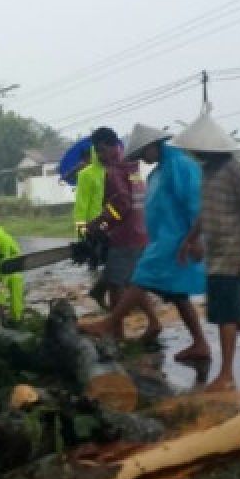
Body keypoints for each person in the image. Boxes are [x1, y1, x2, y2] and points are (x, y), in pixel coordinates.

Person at [79, 124, 209, 360]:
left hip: (169, 239)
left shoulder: (178, 166)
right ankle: (199, 343)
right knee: (176, 295)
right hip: (159, 238)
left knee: (136, 280)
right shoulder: (152, 170)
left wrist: (101, 225)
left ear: (152, 145)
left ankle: (111, 325)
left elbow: (194, 202)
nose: (142, 159)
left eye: (143, 153)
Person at [175, 111, 240, 391]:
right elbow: (206, 211)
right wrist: (191, 239)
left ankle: (227, 375)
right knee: (225, 312)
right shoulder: (208, 171)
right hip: (217, 253)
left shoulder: (236, 168)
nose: (194, 153)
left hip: (237, 252)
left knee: (226, 316)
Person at [84, 126, 159, 341]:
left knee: (116, 286)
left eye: (100, 150)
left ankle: (116, 334)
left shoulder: (115, 171)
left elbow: (122, 205)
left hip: (125, 236)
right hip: (140, 231)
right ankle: (153, 321)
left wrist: (100, 223)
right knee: (131, 283)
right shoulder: (132, 168)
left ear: (111, 146)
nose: (99, 155)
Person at [72, 146, 109, 306]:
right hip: (92, 228)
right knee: (93, 264)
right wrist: (81, 231)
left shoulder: (112, 172)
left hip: (110, 225)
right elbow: (81, 205)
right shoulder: (85, 175)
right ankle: (95, 297)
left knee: (111, 263)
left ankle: (103, 296)